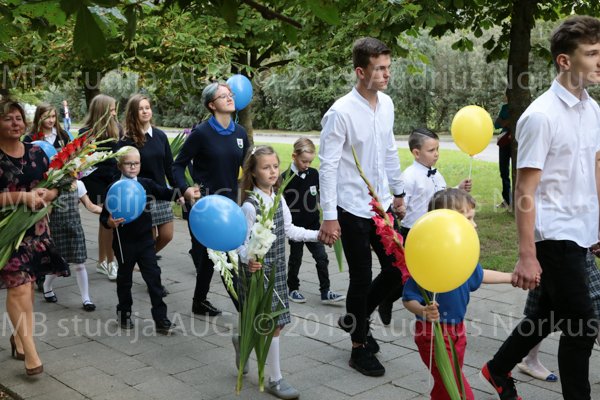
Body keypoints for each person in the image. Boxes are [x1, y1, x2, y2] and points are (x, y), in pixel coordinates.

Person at [480, 16, 600, 400]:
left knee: (548, 314)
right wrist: (526, 255)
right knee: (582, 325)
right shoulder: (540, 116)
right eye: (592, 53)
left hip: (581, 231)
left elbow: (595, 168)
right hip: (553, 235)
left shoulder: (593, 110)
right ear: (564, 61)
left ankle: (497, 368)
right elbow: (524, 190)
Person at [318, 37, 404, 377]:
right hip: (351, 207)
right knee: (361, 277)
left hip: (381, 206)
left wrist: (398, 192)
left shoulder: (387, 104)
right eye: (379, 68)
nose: (386, 74)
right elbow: (327, 166)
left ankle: (355, 319)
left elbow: (389, 150)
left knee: (398, 270)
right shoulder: (340, 112)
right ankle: (358, 347)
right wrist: (329, 216)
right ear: (360, 71)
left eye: (388, 67)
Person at [403, 188, 513, 400]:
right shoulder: (429, 258)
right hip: (433, 334)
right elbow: (408, 298)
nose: (475, 224)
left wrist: (511, 277)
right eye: (469, 218)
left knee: (446, 384)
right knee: (457, 389)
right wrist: (424, 311)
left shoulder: (460, 256)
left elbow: (480, 274)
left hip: (458, 331)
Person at [237, 145, 321, 399]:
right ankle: (275, 379)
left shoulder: (278, 197)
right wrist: (248, 259)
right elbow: (239, 243)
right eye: (266, 167)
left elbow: (289, 229)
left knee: (275, 322)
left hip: (277, 271)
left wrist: (318, 235)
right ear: (253, 172)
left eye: (275, 166)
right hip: (257, 273)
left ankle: (242, 341)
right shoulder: (250, 206)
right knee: (272, 324)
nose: (273, 171)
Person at [0, 99, 69, 375]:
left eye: (18, 118)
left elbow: (57, 183)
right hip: (6, 234)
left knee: (28, 288)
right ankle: (31, 353)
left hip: (35, 230)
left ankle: (18, 338)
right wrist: (21, 197)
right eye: (7, 118)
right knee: (18, 287)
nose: (15, 123)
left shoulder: (37, 153)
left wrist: (49, 194)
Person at [378, 128, 471, 325]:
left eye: (437, 149)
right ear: (416, 153)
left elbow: (442, 196)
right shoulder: (409, 177)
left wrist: (458, 188)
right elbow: (400, 203)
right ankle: (389, 300)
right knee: (410, 275)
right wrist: (400, 209)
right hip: (414, 232)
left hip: (436, 233)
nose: (436, 154)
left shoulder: (437, 175)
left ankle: (426, 308)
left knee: (428, 273)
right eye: (431, 150)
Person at [172, 82, 249, 316]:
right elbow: (177, 165)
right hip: (205, 206)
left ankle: (199, 302)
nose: (230, 98)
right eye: (223, 96)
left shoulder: (240, 133)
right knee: (225, 258)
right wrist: (186, 189)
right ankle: (247, 311)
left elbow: (247, 167)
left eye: (230, 94)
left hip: (230, 205)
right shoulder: (201, 133)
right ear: (211, 105)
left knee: (209, 259)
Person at [100, 146, 195, 333]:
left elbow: (164, 192)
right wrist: (109, 222)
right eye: (128, 163)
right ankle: (124, 313)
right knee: (125, 280)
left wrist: (181, 194)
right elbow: (104, 217)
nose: (132, 167)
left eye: (136, 163)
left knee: (154, 279)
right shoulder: (113, 188)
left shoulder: (145, 184)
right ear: (119, 166)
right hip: (124, 242)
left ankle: (161, 319)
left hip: (145, 241)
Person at [515, 247, 600, 382]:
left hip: (576, 250)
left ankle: (518, 361)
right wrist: (527, 257)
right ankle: (504, 366)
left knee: (546, 310)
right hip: (556, 250)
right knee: (545, 310)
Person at [282, 137, 345, 305]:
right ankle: (293, 288)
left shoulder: (314, 174)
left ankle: (325, 291)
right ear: (294, 156)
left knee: (322, 257)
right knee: (296, 258)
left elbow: (322, 196)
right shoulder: (284, 178)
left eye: (310, 161)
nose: (307, 165)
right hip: (295, 227)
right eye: (304, 161)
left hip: (313, 225)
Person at [118, 94, 176, 259]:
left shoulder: (160, 136)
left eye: (147, 108)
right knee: (148, 239)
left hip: (161, 193)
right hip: (141, 196)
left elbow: (169, 166)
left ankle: (143, 258)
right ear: (133, 113)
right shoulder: (126, 140)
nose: (145, 111)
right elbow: (120, 169)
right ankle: (148, 265)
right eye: (140, 109)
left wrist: (178, 190)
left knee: (167, 235)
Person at [23, 103, 72, 292]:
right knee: (41, 229)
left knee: (55, 229)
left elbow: (70, 160)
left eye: (53, 116)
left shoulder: (63, 136)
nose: (50, 120)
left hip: (58, 187)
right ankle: (40, 274)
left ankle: (54, 263)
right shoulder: (30, 139)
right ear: (39, 118)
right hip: (39, 189)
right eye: (46, 117)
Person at [40, 180, 102, 311]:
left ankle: (86, 299)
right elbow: (47, 213)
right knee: (58, 264)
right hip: (57, 230)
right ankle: (47, 286)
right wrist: (46, 230)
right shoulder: (52, 184)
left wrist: (107, 212)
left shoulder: (79, 184)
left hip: (75, 230)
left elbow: (90, 206)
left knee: (80, 264)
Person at [79, 94, 120, 280]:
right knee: (108, 219)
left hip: (113, 179)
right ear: (102, 110)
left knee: (106, 222)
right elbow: (82, 160)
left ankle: (102, 261)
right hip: (95, 181)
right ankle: (111, 263)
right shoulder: (86, 132)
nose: (115, 112)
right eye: (111, 109)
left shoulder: (117, 128)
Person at [494, 92, 512, 208]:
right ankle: (507, 200)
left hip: (517, 141)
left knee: (519, 171)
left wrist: (506, 122)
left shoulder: (523, 106)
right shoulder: (505, 108)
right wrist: (506, 122)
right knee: (504, 172)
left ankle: (519, 199)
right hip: (505, 143)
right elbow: (497, 124)